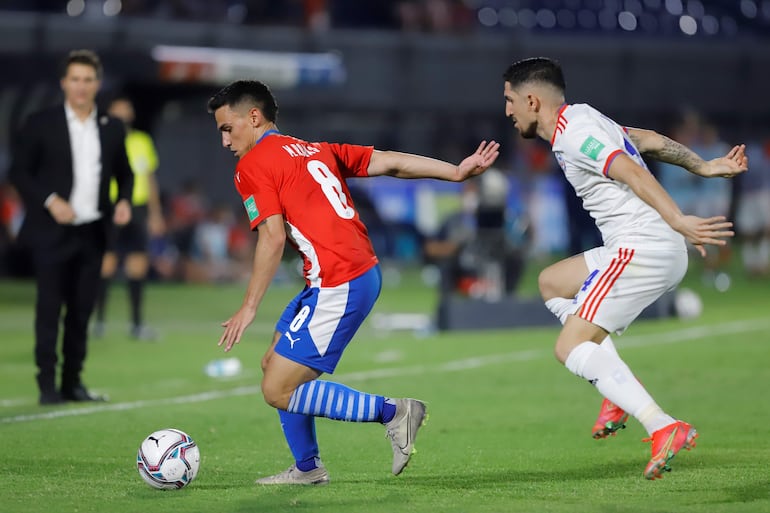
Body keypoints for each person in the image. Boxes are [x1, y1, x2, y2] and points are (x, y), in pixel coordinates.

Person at [207, 80, 499, 485]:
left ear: (253, 117)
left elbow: (272, 237)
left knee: (276, 389)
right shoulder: (315, 149)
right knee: (273, 361)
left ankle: (394, 413)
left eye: (227, 128)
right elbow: (390, 162)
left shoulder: (253, 165)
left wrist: (249, 306)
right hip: (347, 274)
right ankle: (308, 469)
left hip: (339, 279)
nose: (224, 141)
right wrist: (454, 171)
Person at [502, 57, 747, 480]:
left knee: (567, 348)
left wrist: (677, 219)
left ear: (531, 100)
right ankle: (612, 389)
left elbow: (632, 170)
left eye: (509, 100)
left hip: (643, 246)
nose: (507, 111)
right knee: (552, 283)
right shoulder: (581, 117)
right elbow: (648, 141)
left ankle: (662, 425)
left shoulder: (576, 134)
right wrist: (704, 167)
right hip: (640, 245)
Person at [9, 49, 133, 405]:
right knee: (49, 309)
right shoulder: (40, 123)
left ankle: (72, 382)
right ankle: (47, 385)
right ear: (64, 83)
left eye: (88, 79)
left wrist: (123, 200)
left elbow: (125, 174)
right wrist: (50, 199)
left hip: (93, 231)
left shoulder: (111, 127)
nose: (81, 86)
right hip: (51, 231)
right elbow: (18, 171)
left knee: (81, 311)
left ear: (97, 83)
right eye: (75, 79)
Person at [93, 95, 165, 340]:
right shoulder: (100, 139)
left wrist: (155, 214)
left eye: (127, 109)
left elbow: (149, 178)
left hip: (138, 207)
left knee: (138, 265)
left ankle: (136, 324)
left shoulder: (141, 141)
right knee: (106, 263)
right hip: (110, 207)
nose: (123, 113)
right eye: (118, 109)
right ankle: (98, 322)